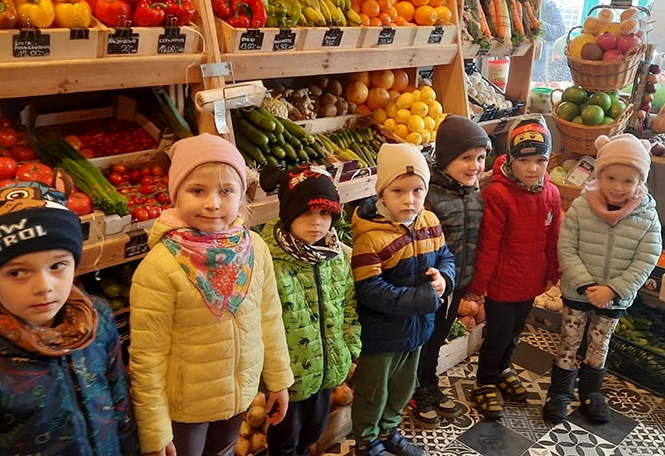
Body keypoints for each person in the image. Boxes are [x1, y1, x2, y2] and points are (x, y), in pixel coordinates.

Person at [0, 179, 139, 455]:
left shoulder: (97, 319)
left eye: (58, 265)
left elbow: (119, 407)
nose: (44, 286)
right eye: (17, 272)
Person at [128, 134, 293, 456]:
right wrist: (155, 431)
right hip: (185, 408)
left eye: (226, 191)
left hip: (238, 395)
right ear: (176, 194)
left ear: (241, 194)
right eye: (197, 191)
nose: (213, 203)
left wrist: (278, 380)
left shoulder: (255, 249)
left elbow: (270, 319)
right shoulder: (160, 267)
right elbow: (147, 359)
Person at [543, 134, 662, 425]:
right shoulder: (582, 207)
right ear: (599, 175)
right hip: (577, 292)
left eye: (627, 181)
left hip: (614, 298)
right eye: (611, 178)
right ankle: (560, 392)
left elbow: (647, 258)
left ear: (640, 182)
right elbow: (566, 246)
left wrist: (614, 289)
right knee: (569, 341)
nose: (618, 187)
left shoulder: (647, 217)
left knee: (599, 344)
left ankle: (591, 392)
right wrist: (585, 284)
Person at [350, 143, 455, 456]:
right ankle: (367, 441)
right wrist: (423, 298)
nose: (409, 199)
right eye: (398, 191)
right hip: (382, 335)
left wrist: (444, 278)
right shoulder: (370, 238)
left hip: (418, 329)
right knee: (373, 390)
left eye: (417, 190)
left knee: (403, 386)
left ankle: (389, 430)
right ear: (381, 194)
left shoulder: (430, 223)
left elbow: (446, 256)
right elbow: (370, 289)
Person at [258, 165, 362, 456]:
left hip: (328, 370)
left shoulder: (336, 256)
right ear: (289, 213)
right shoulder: (269, 260)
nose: (317, 222)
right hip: (287, 378)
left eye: (325, 213)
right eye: (306, 212)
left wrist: (349, 347)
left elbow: (349, 304)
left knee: (313, 432)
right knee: (284, 440)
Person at [467, 117, 562, 420]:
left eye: (540, 160)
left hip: (531, 281)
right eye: (524, 161)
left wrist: (553, 272)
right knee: (498, 335)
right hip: (501, 284)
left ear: (549, 160)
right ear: (510, 159)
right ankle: (485, 382)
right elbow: (489, 245)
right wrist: (479, 287)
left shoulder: (551, 193)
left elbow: (554, 238)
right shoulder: (497, 194)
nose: (533, 168)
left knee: (516, 333)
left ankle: (503, 369)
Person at [411, 116, 492, 429]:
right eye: (466, 158)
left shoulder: (473, 193)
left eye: (480, 158)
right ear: (446, 159)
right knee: (424, 337)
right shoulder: (430, 195)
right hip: (431, 284)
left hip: (458, 283)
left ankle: (429, 382)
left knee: (438, 336)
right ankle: (416, 389)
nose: (475, 166)